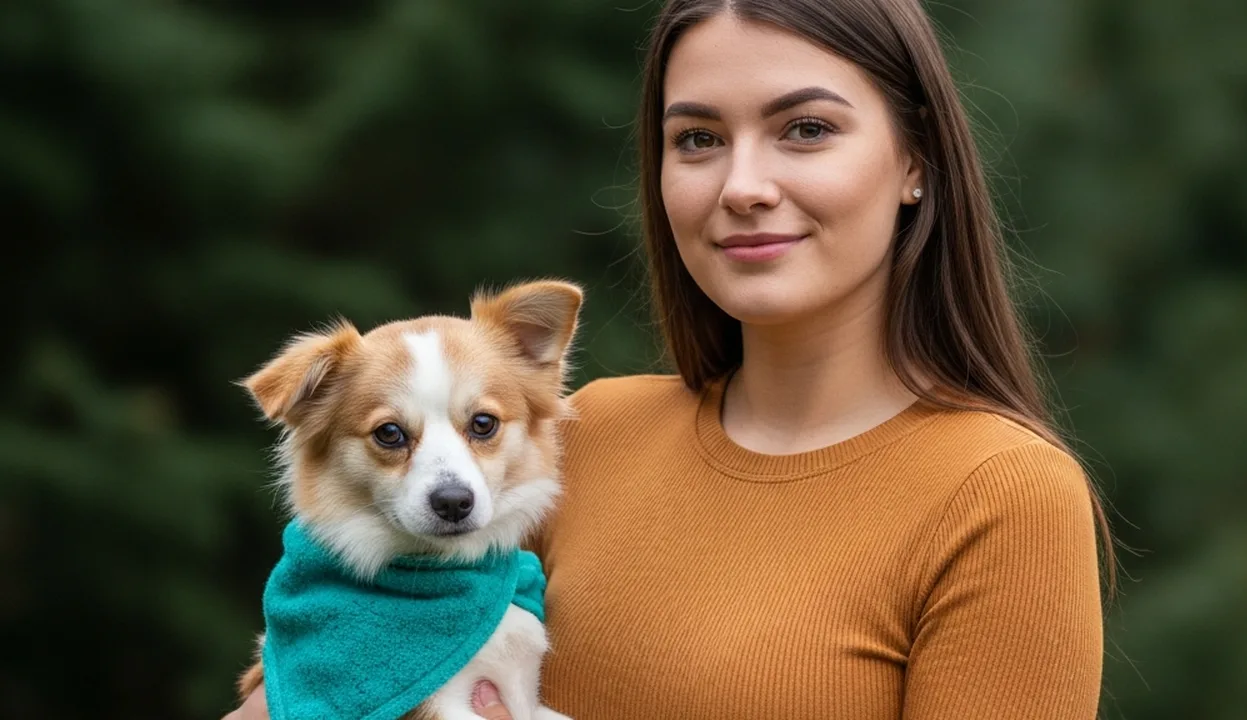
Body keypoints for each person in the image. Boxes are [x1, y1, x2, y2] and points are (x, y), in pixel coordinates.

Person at [225, 0, 1115, 717]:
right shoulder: (585, 435)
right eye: (697, 139)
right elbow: (326, 671)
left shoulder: (1000, 494)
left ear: (916, 157)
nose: (743, 186)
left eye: (805, 129)